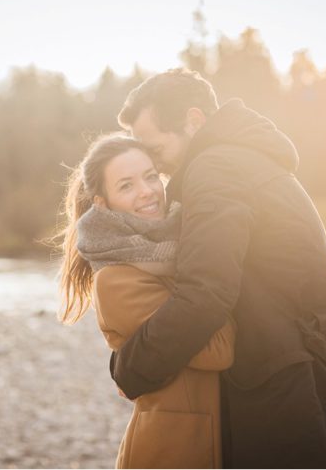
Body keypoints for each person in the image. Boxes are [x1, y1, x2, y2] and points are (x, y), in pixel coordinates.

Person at [110, 68, 326, 469]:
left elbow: (205, 294)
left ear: (194, 120)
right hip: (308, 378)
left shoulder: (215, 169)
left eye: (157, 149)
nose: (158, 167)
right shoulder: (246, 159)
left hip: (285, 393)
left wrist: (131, 367)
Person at [57, 134, 236, 468]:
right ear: (102, 203)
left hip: (216, 438)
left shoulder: (182, 240)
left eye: (151, 176)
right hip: (173, 449)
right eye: (126, 186)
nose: (147, 191)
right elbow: (219, 348)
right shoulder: (116, 279)